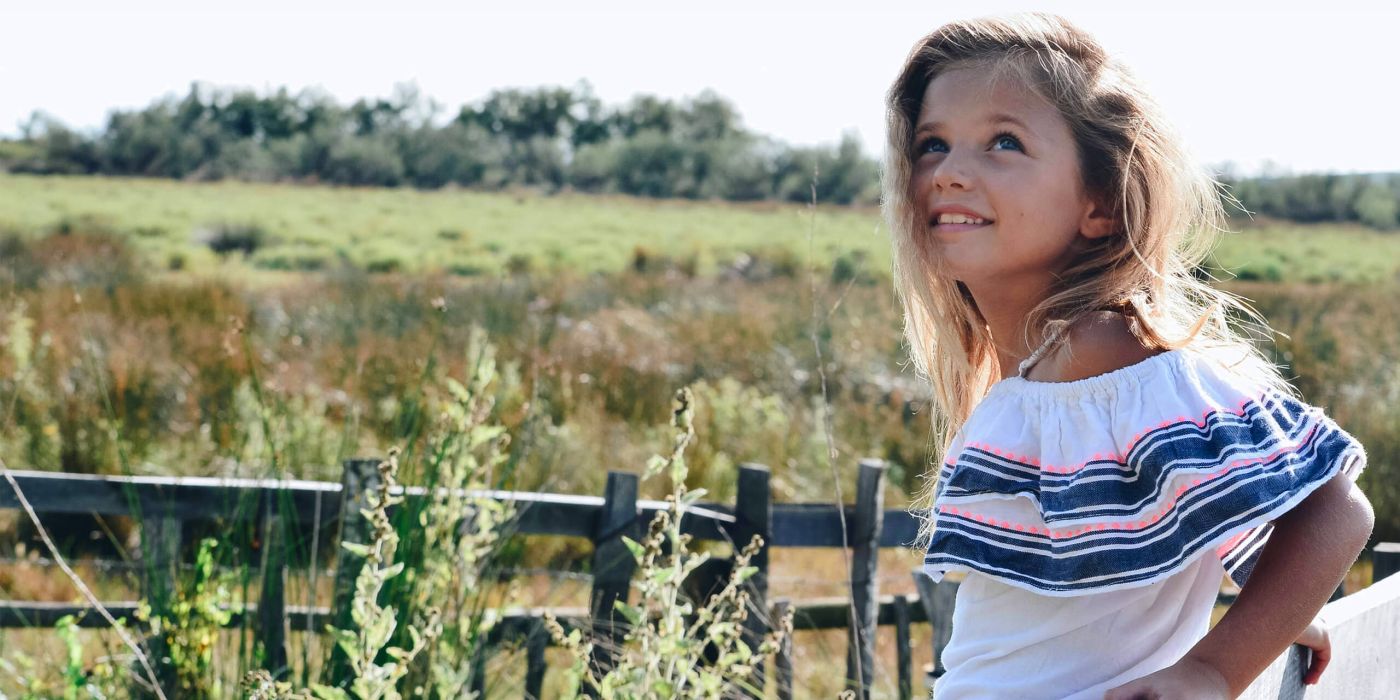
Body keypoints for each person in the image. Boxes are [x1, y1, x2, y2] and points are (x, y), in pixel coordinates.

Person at [882, 13, 1375, 699]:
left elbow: (1334, 507)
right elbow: (1163, 513)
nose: (950, 173)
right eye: (933, 144)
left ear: (1101, 205)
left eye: (1004, 142)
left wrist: (1216, 666)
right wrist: (1276, 612)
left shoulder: (1100, 351)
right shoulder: (1049, 370)